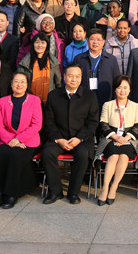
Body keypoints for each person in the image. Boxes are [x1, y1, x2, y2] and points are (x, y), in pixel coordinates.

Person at [42, 64, 99, 205]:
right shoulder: (54, 95)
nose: (74, 79)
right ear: (64, 77)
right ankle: (55, 191)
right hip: (59, 137)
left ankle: (73, 193)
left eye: (77, 76)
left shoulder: (90, 96)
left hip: (81, 139)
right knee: (47, 153)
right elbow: (49, 121)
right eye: (71, 76)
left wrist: (79, 138)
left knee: (82, 154)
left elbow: (92, 122)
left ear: (81, 78)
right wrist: (59, 139)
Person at [0, 72, 42, 209]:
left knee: (15, 154)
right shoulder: (2, 101)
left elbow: (37, 125)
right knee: (0, 153)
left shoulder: (34, 100)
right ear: (11, 83)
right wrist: (11, 140)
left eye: (22, 81)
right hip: (7, 140)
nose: (19, 84)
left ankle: (11, 193)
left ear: (27, 84)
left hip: (28, 141)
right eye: (16, 81)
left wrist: (18, 139)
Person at [95, 75, 138, 205]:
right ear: (115, 89)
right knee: (113, 156)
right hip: (110, 138)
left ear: (130, 90)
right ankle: (105, 188)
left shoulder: (135, 106)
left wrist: (126, 138)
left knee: (124, 156)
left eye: (125, 88)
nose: (122, 90)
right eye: (119, 87)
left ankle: (114, 186)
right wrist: (115, 137)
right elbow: (103, 124)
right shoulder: (108, 105)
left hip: (129, 139)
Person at [74, 29, 121, 107]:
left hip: (106, 101)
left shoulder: (111, 59)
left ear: (103, 42)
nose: (95, 42)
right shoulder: (79, 59)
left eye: (98, 40)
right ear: (87, 41)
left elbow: (117, 82)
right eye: (92, 39)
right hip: (84, 101)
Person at [18, 32, 62, 103]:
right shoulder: (24, 64)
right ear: (33, 44)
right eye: (37, 42)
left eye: (43, 43)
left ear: (47, 45)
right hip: (28, 101)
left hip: (49, 101)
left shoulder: (53, 63)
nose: (40, 45)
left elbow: (58, 84)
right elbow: (19, 82)